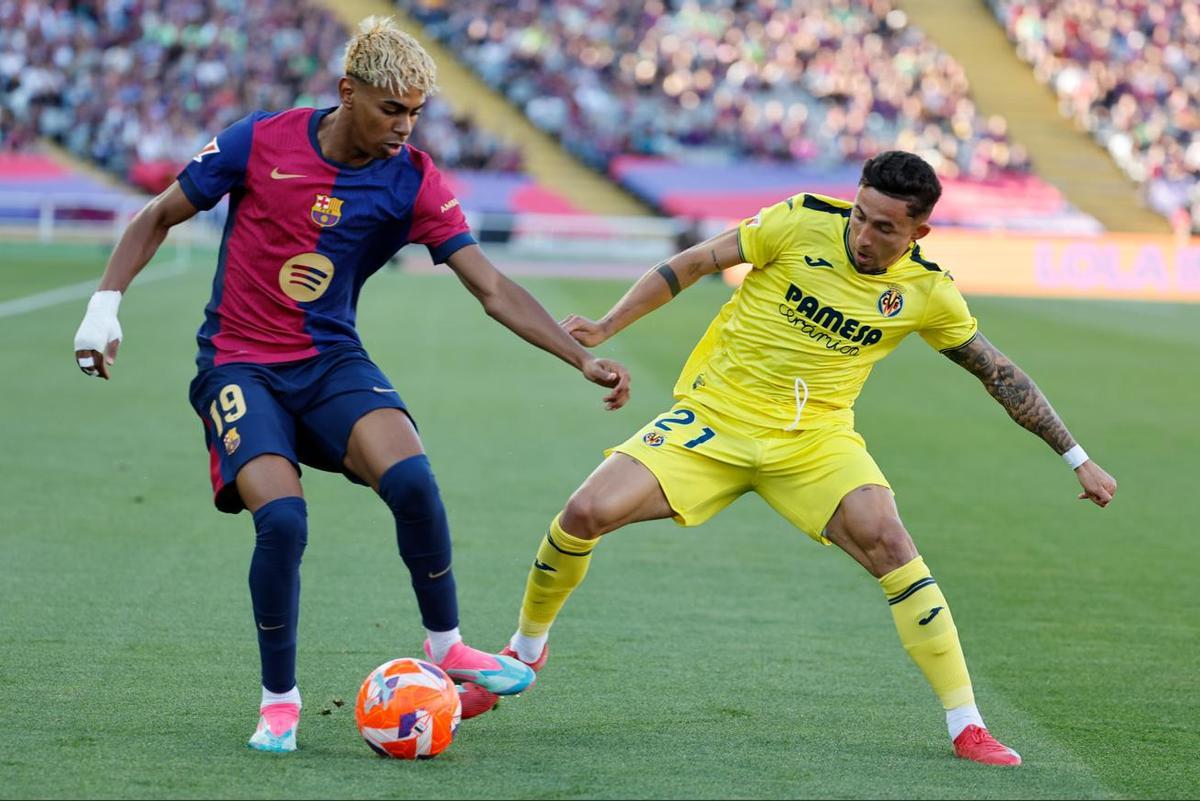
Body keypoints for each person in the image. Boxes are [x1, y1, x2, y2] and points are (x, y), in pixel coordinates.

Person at [70, 16, 631, 753]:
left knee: (415, 480)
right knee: (284, 522)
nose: (404, 127)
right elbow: (158, 215)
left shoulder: (413, 179)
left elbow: (490, 287)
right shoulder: (257, 141)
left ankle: (446, 644)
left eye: (415, 113)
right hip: (239, 363)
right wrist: (103, 307)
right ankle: (280, 700)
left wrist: (578, 357)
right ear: (348, 93)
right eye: (390, 109)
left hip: (331, 361)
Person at [460, 151, 1117, 766]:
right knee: (583, 511)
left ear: (919, 230)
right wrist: (606, 327)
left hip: (814, 444)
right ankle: (525, 651)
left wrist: (1076, 456)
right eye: (860, 214)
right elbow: (693, 263)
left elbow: (999, 373)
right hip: (714, 421)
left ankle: (966, 722)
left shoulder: (928, 291)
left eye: (884, 226)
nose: (863, 234)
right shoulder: (800, 218)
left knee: (892, 542)